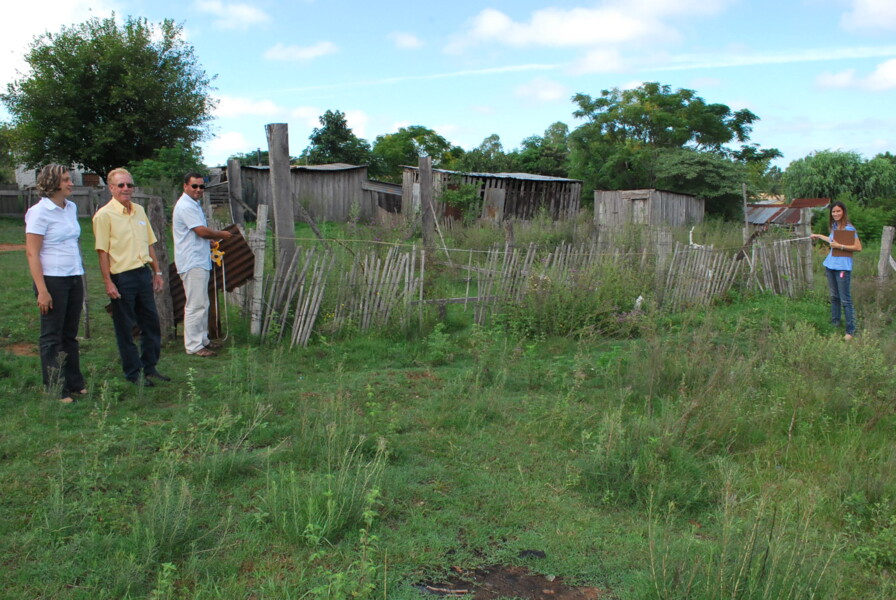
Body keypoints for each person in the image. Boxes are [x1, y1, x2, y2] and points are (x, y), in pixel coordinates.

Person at [92, 168, 170, 385]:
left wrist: (157, 272)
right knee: (125, 328)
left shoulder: (139, 210)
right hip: (121, 277)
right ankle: (133, 374)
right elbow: (103, 252)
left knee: (151, 324)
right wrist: (108, 282)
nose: (126, 189)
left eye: (129, 185)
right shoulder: (104, 215)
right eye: (121, 185)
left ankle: (150, 367)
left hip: (142, 273)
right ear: (111, 188)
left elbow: (150, 243)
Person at [25, 165, 87, 403]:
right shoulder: (39, 212)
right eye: (65, 180)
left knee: (70, 334)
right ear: (52, 183)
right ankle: (54, 386)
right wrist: (42, 290)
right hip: (51, 280)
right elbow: (32, 253)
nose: (70, 183)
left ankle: (74, 381)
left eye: (70, 179)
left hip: (73, 275)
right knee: (52, 335)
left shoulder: (70, 207)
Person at [172, 171, 232, 357]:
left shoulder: (194, 205)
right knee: (195, 304)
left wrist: (210, 243)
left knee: (203, 303)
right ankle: (193, 345)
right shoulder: (186, 206)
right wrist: (221, 235)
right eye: (194, 186)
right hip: (192, 261)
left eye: (201, 187)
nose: (198, 190)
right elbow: (201, 231)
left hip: (199, 258)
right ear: (185, 186)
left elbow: (195, 234)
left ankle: (202, 340)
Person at [810, 201, 862, 340]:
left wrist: (841, 246)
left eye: (838, 211)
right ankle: (835, 322)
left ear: (843, 212)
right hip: (830, 265)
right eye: (833, 212)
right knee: (834, 297)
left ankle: (850, 331)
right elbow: (832, 241)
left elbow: (858, 247)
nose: (836, 214)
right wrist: (820, 236)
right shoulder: (834, 226)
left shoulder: (849, 228)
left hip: (842, 267)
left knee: (845, 299)